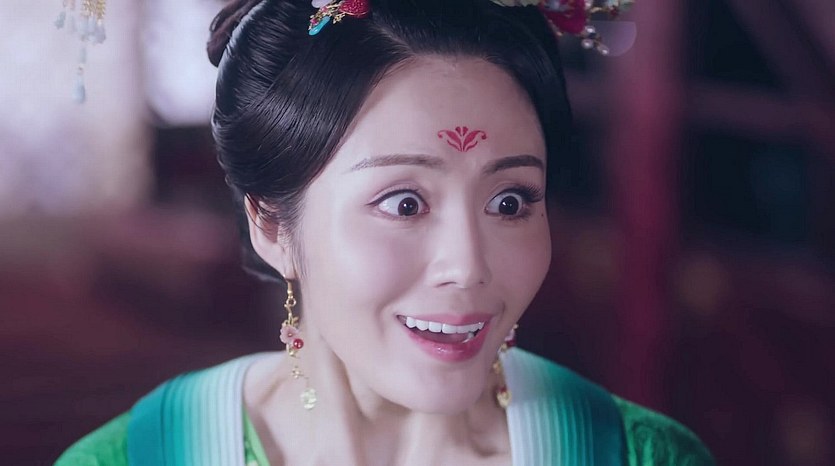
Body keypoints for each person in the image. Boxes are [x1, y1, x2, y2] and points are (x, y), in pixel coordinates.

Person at [56, 0, 715, 464]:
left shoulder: (637, 455)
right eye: (404, 204)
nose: (468, 266)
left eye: (509, 201)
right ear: (270, 224)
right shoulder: (142, 456)